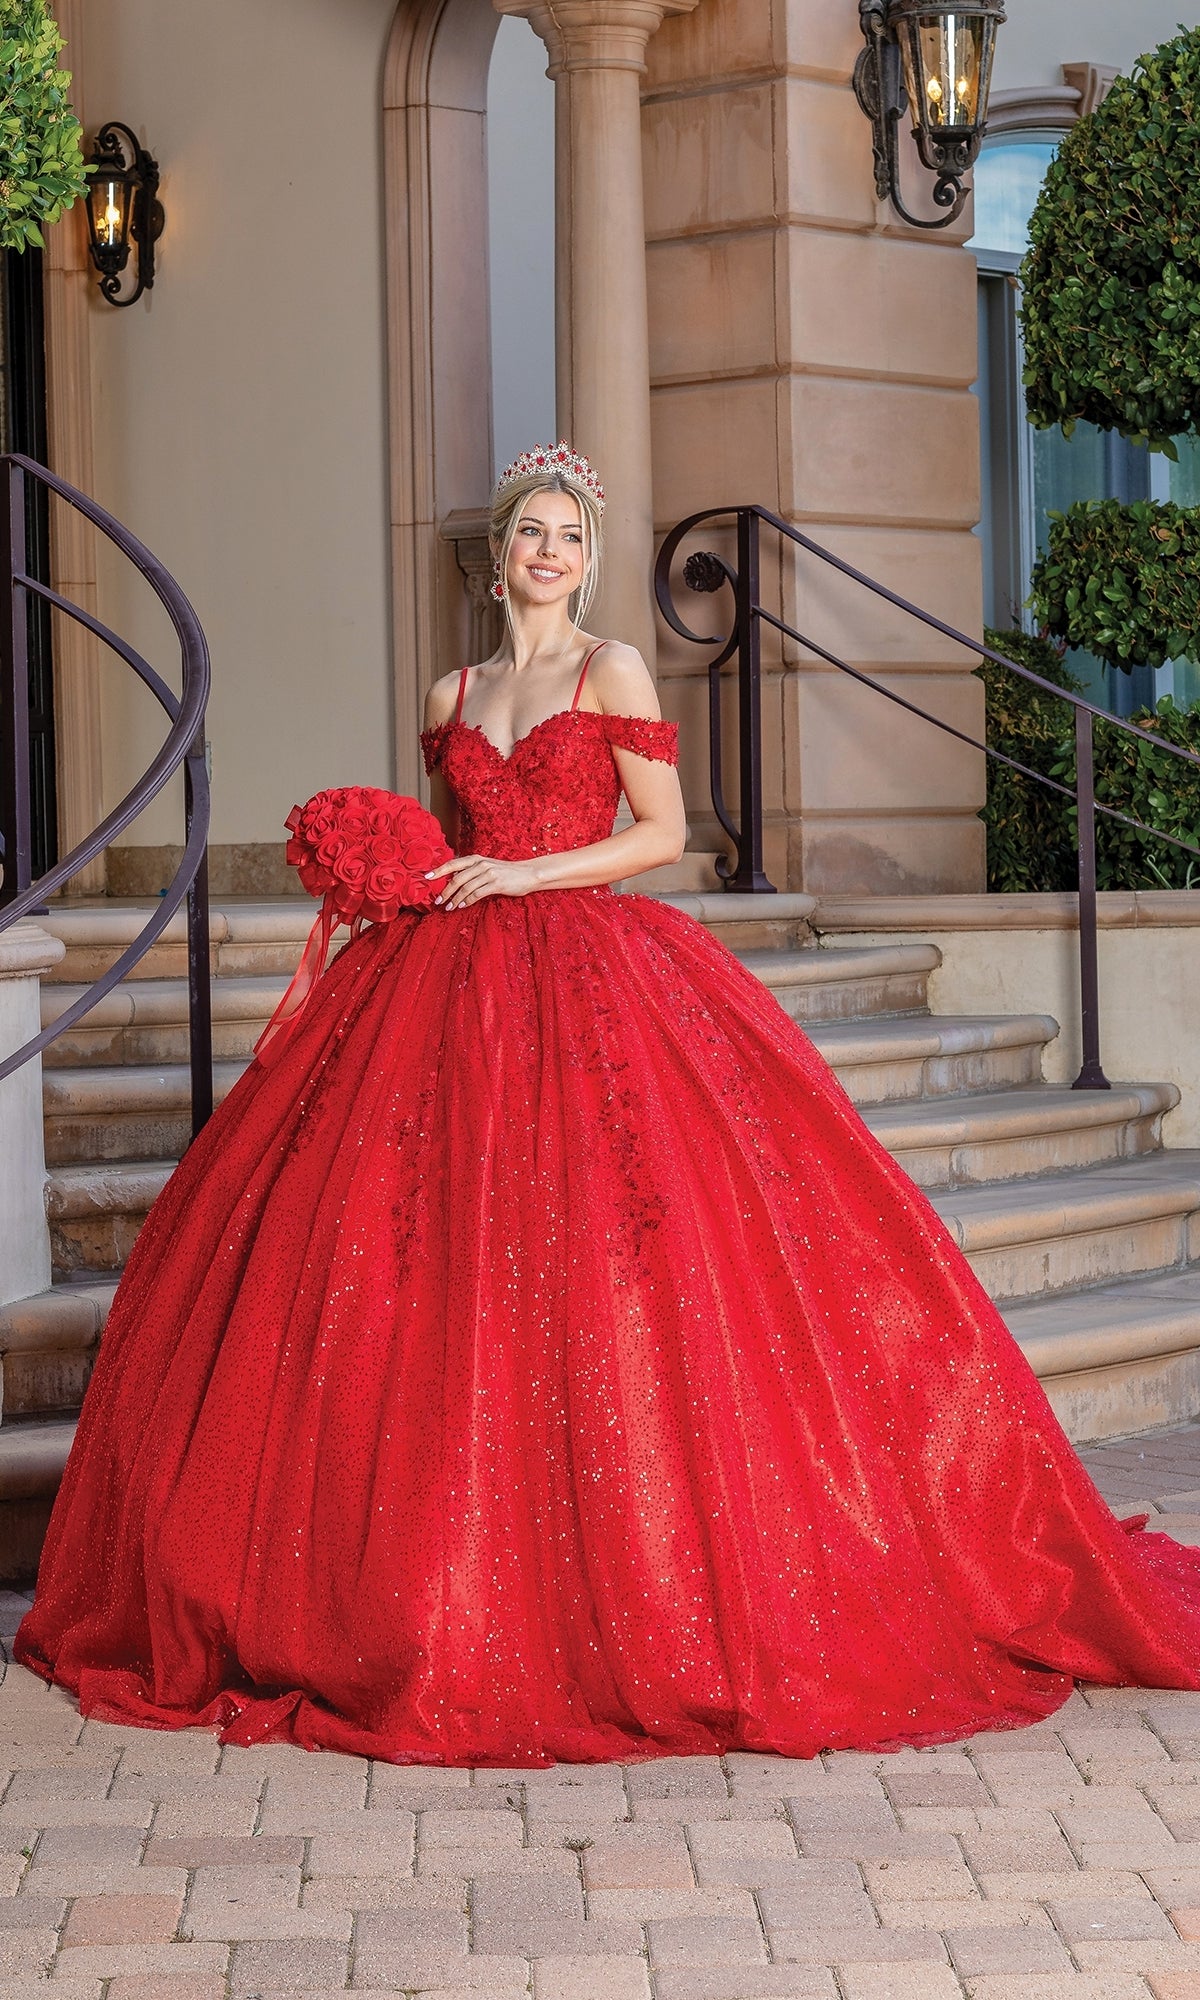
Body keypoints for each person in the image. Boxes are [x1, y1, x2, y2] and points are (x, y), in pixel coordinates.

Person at [16, 441, 1200, 1766]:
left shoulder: (612, 668)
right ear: (496, 550)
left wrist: (521, 880)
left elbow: (663, 836)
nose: (546, 553)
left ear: (587, 558)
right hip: (438, 984)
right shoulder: (452, 685)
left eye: (568, 537)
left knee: (615, 1252)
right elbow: (445, 823)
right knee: (406, 1255)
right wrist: (397, 862)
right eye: (529, 531)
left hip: (589, 961)